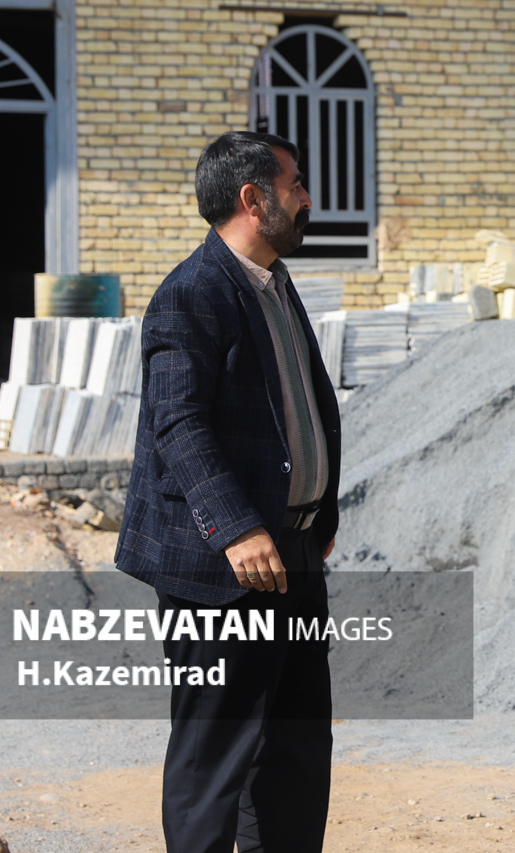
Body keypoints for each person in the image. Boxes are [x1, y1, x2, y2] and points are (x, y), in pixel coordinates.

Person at [116, 130, 342, 853]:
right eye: (295, 184)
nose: (306, 198)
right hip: (226, 566)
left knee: (296, 746)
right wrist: (238, 528)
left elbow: (296, 406)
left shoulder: (274, 283)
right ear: (253, 198)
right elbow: (176, 422)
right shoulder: (191, 294)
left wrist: (315, 514)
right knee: (215, 753)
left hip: (293, 555)